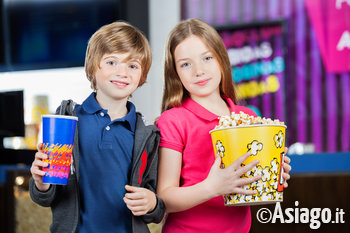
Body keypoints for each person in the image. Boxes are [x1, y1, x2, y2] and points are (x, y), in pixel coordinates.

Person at [156, 18, 291, 233]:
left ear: (221, 59)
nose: (198, 70)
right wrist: (212, 187)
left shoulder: (247, 118)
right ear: (175, 72)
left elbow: (251, 195)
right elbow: (164, 198)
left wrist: (270, 177)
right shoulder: (172, 121)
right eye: (186, 64)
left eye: (207, 58)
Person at [29, 21, 165, 233]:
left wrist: (152, 203)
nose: (123, 72)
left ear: (141, 76)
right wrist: (41, 182)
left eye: (132, 65)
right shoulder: (67, 120)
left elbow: (156, 210)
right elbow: (45, 197)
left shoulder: (147, 135)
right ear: (93, 66)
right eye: (112, 62)